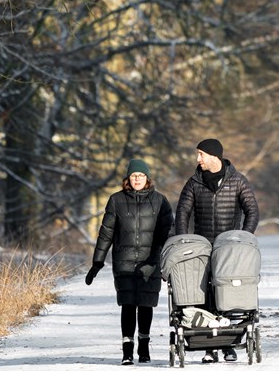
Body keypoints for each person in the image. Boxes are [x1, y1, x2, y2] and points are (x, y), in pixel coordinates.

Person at [174, 138, 259, 363]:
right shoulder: (194, 183)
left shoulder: (238, 181)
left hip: (229, 248)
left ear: (214, 156)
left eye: (201, 154)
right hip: (201, 247)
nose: (198, 159)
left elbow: (252, 211)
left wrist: (243, 238)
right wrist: (184, 241)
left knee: (227, 293)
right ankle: (209, 346)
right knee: (204, 293)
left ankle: (228, 345)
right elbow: (182, 213)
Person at [85, 159, 174, 365]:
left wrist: (167, 259)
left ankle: (144, 348)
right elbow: (106, 234)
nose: (137, 179)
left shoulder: (160, 201)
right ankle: (127, 352)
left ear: (147, 179)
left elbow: (168, 232)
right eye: (134, 176)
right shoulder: (116, 200)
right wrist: (97, 263)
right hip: (123, 262)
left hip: (150, 262)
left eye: (141, 176)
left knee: (145, 305)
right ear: (128, 178)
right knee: (127, 305)